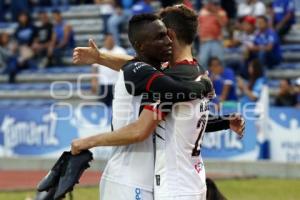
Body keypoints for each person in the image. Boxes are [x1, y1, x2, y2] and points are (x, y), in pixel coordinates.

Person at [72, 6, 244, 200]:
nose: (164, 40)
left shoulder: (168, 82)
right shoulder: (197, 70)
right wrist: (100, 58)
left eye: (162, 34)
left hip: (171, 186)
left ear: (170, 35)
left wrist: (88, 142)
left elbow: (140, 130)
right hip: (193, 181)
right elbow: (137, 66)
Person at [91, 33, 127, 107]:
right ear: (105, 41)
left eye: (111, 40)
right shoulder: (99, 52)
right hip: (104, 83)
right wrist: (94, 81)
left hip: (117, 83)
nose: (110, 41)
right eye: (108, 40)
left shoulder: (121, 51)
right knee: (104, 105)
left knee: (118, 105)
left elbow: (126, 67)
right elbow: (95, 68)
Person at [197, 0, 228, 68]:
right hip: (204, 41)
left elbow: (223, 24)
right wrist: (200, 36)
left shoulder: (221, 12)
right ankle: (204, 77)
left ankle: (221, 77)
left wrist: (215, 13)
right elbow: (198, 25)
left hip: (216, 41)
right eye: (207, 3)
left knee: (219, 60)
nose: (208, 5)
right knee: (202, 61)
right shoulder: (202, 12)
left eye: (210, 3)